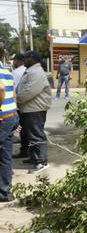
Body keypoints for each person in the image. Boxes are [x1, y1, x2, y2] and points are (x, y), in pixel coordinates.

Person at [15, 51, 52, 174]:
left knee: (36, 134)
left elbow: (29, 92)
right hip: (29, 108)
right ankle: (34, 158)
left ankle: (42, 161)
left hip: (35, 109)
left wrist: (16, 99)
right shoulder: (31, 71)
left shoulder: (36, 72)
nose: (24, 59)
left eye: (26, 57)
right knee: (31, 135)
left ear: (33, 59)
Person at [0, 53, 19, 202]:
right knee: (5, 156)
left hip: (3, 117)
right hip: (11, 115)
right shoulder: (6, 70)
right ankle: (5, 193)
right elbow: (12, 92)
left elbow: (1, 90)